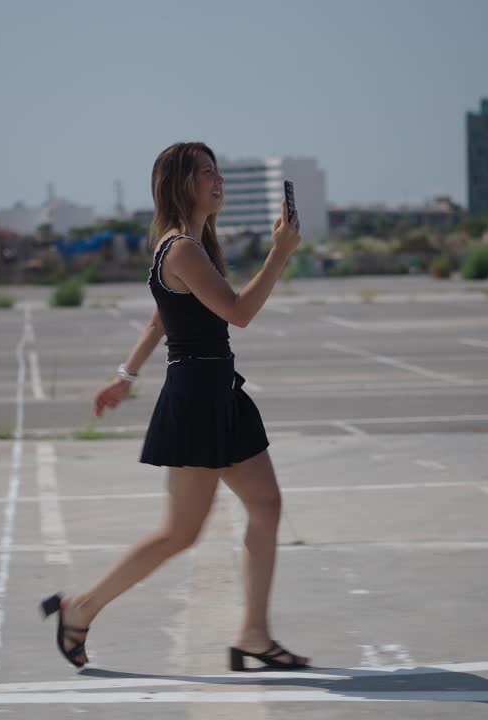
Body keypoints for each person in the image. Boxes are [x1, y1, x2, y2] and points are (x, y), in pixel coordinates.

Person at [40, 141, 310, 672]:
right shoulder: (182, 249)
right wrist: (280, 252)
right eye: (206, 173)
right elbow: (238, 313)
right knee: (179, 533)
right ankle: (80, 608)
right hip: (196, 400)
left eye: (218, 172)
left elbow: (159, 320)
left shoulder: (190, 246)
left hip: (218, 393)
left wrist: (125, 376)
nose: (218, 181)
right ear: (180, 184)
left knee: (266, 505)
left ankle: (254, 634)